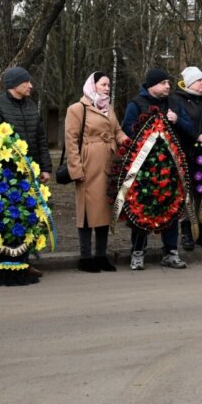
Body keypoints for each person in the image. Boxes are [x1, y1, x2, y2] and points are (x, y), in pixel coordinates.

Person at [0, 66, 53, 277]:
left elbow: (40, 139)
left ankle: (24, 261)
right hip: (5, 176)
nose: (30, 86)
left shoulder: (31, 107)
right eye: (26, 82)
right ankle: (2, 261)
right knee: (5, 218)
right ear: (14, 84)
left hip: (30, 173)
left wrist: (46, 167)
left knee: (28, 218)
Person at [122, 68, 194, 270]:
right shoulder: (137, 104)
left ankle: (171, 252)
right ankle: (138, 252)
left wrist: (176, 120)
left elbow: (190, 129)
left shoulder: (174, 104)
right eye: (163, 83)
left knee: (172, 209)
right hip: (145, 168)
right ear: (151, 85)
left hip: (171, 168)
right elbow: (128, 129)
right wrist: (148, 132)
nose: (168, 86)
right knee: (142, 209)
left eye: (168, 83)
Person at [66, 72, 128, 273]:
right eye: (103, 84)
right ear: (92, 85)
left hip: (109, 164)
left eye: (109, 85)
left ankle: (101, 256)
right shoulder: (77, 109)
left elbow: (117, 131)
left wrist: (126, 141)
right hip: (88, 165)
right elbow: (71, 141)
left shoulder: (109, 108)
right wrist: (76, 169)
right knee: (86, 212)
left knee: (104, 210)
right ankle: (85, 258)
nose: (107, 88)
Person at [174, 66, 202, 253]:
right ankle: (187, 233)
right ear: (189, 83)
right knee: (186, 196)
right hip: (185, 154)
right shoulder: (178, 100)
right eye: (199, 80)